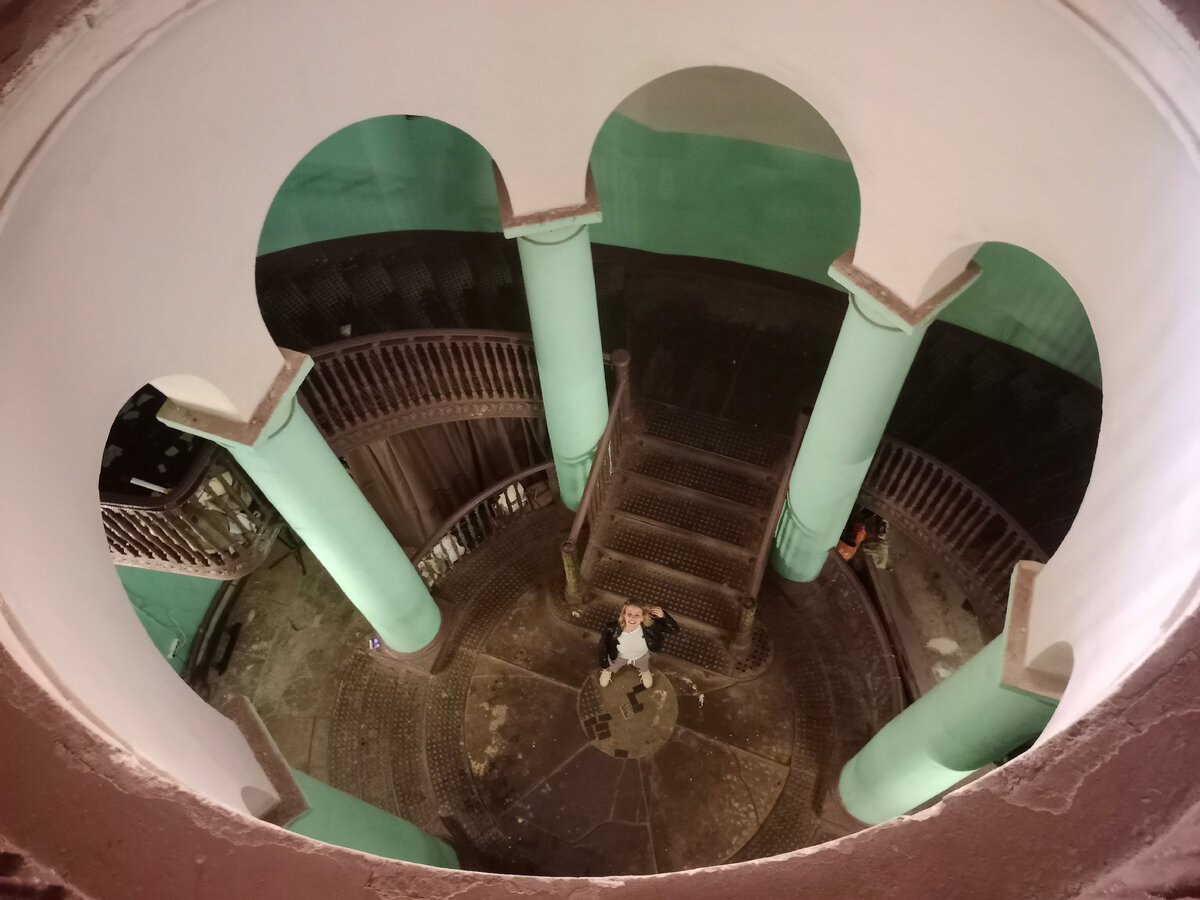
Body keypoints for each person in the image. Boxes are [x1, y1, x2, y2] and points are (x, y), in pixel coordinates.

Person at [598, 602, 679, 689]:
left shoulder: (650, 627)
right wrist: (605, 664)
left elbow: (673, 630)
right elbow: (603, 646)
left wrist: (664, 616)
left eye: (637, 615)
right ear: (623, 615)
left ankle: (644, 671)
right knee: (613, 665)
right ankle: (608, 670)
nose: (633, 618)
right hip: (619, 656)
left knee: (643, 665)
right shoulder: (611, 628)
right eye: (629, 614)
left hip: (641, 655)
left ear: (642, 618)